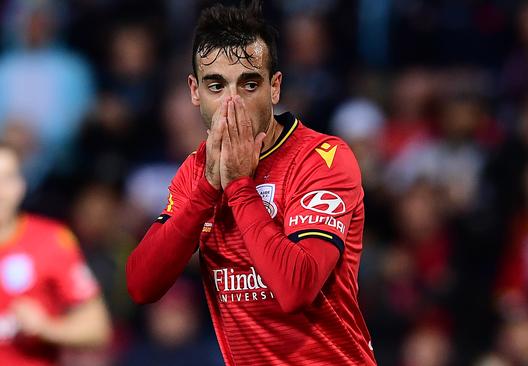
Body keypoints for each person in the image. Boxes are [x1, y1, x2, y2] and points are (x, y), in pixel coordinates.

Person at [126, 2, 376, 365]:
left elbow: (296, 288)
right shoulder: (197, 171)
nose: (233, 102)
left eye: (249, 84)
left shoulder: (323, 159)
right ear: (194, 91)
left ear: (274, 87)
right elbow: (141, 285)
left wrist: (239, 185)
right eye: (216, 85)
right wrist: (208, 189)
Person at [0, 142, 111, 365]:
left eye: (7, 178)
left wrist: (45, 328)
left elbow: (97, 328)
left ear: (21, 186)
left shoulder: (51, 241)